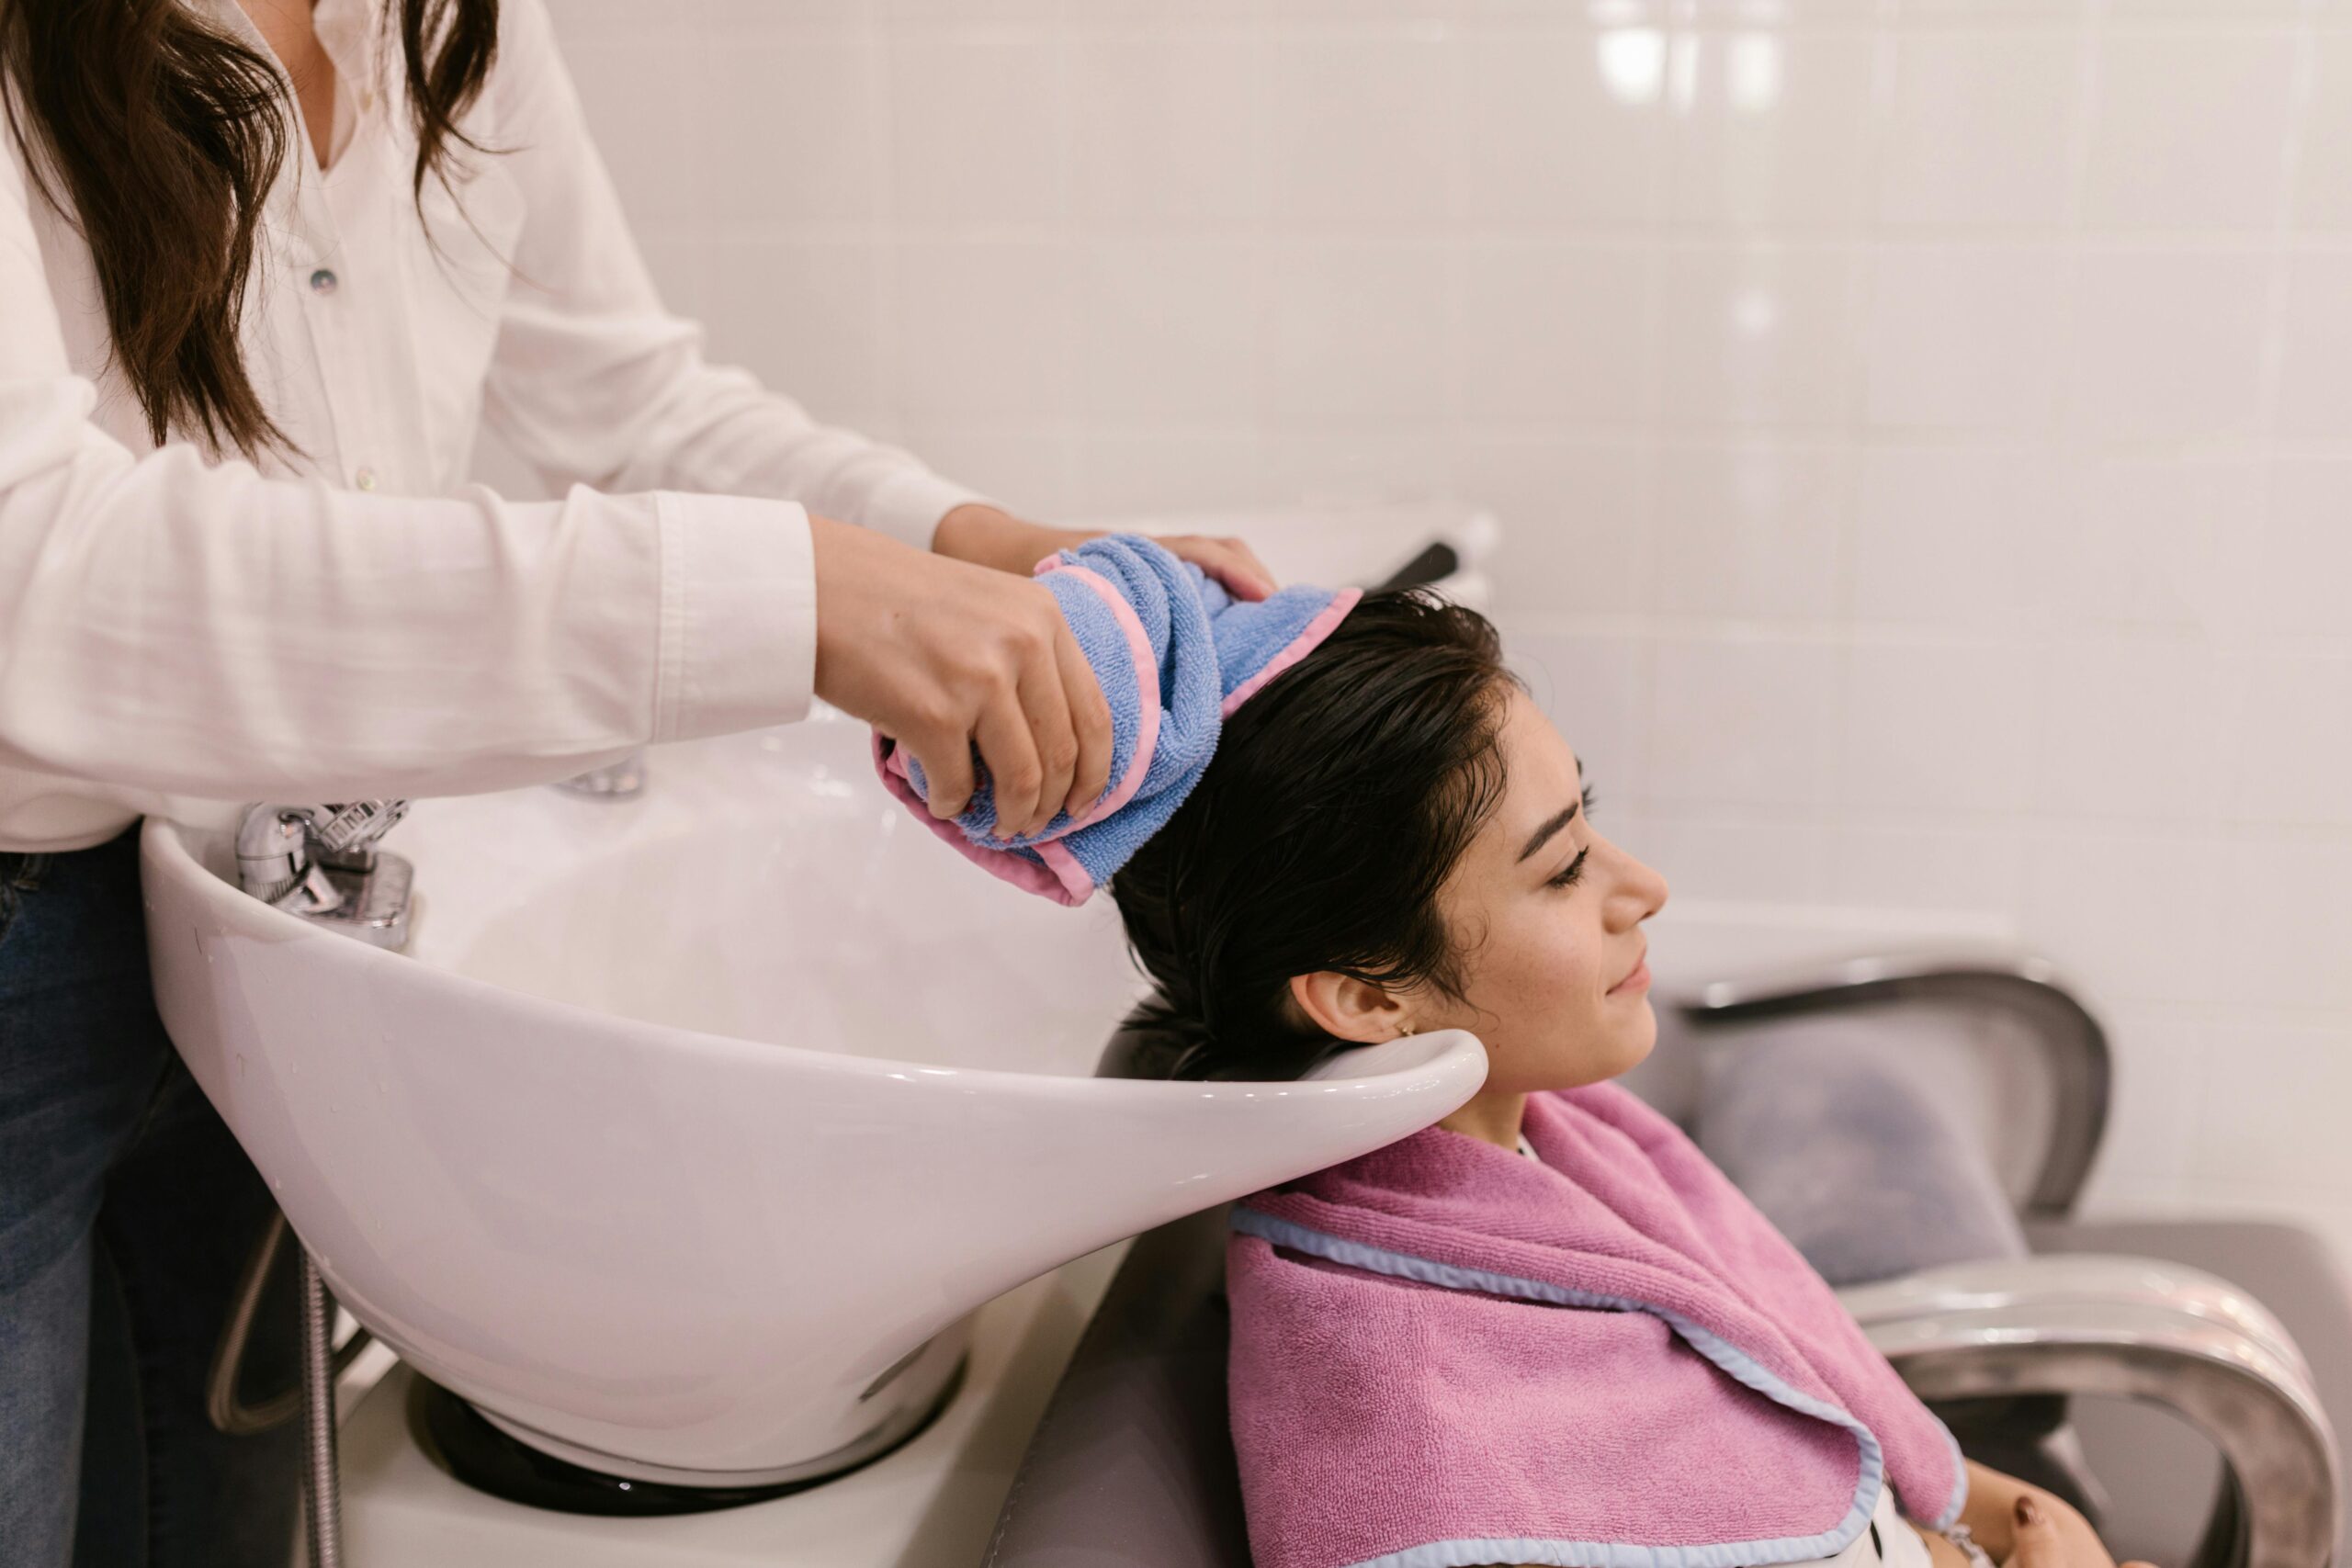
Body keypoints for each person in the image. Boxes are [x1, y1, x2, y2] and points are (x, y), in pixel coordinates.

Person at [0, 0, 1272, 1562]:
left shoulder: (438, 20)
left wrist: (962, 543)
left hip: (240, 912)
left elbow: (623, 403)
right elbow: (32, 576)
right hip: (25, 911)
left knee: (218, 1518)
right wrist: (794, 601)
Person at [1107, 592, 2162, 1568]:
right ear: (1370, 997)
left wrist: (1993, 1514)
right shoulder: (1423, 1428)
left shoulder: (1551, 1151)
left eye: (1587, 820)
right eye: (1561, 868)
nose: (1641, 888)